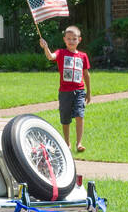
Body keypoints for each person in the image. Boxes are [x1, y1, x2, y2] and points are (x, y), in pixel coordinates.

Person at [38, 24, 91, 154]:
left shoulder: (83, 56)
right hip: (65, 92)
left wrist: (89, 92)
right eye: (69, 38)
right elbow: (50, 56)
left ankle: (79, 143)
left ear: (79, 40)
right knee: (65, 118)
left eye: (74, 38)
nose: (71, 41)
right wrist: (45, 47)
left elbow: (86, 74)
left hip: (79, 91)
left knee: (80, 115)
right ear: (64, 40)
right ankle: (67, 143)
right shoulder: (61, 53)